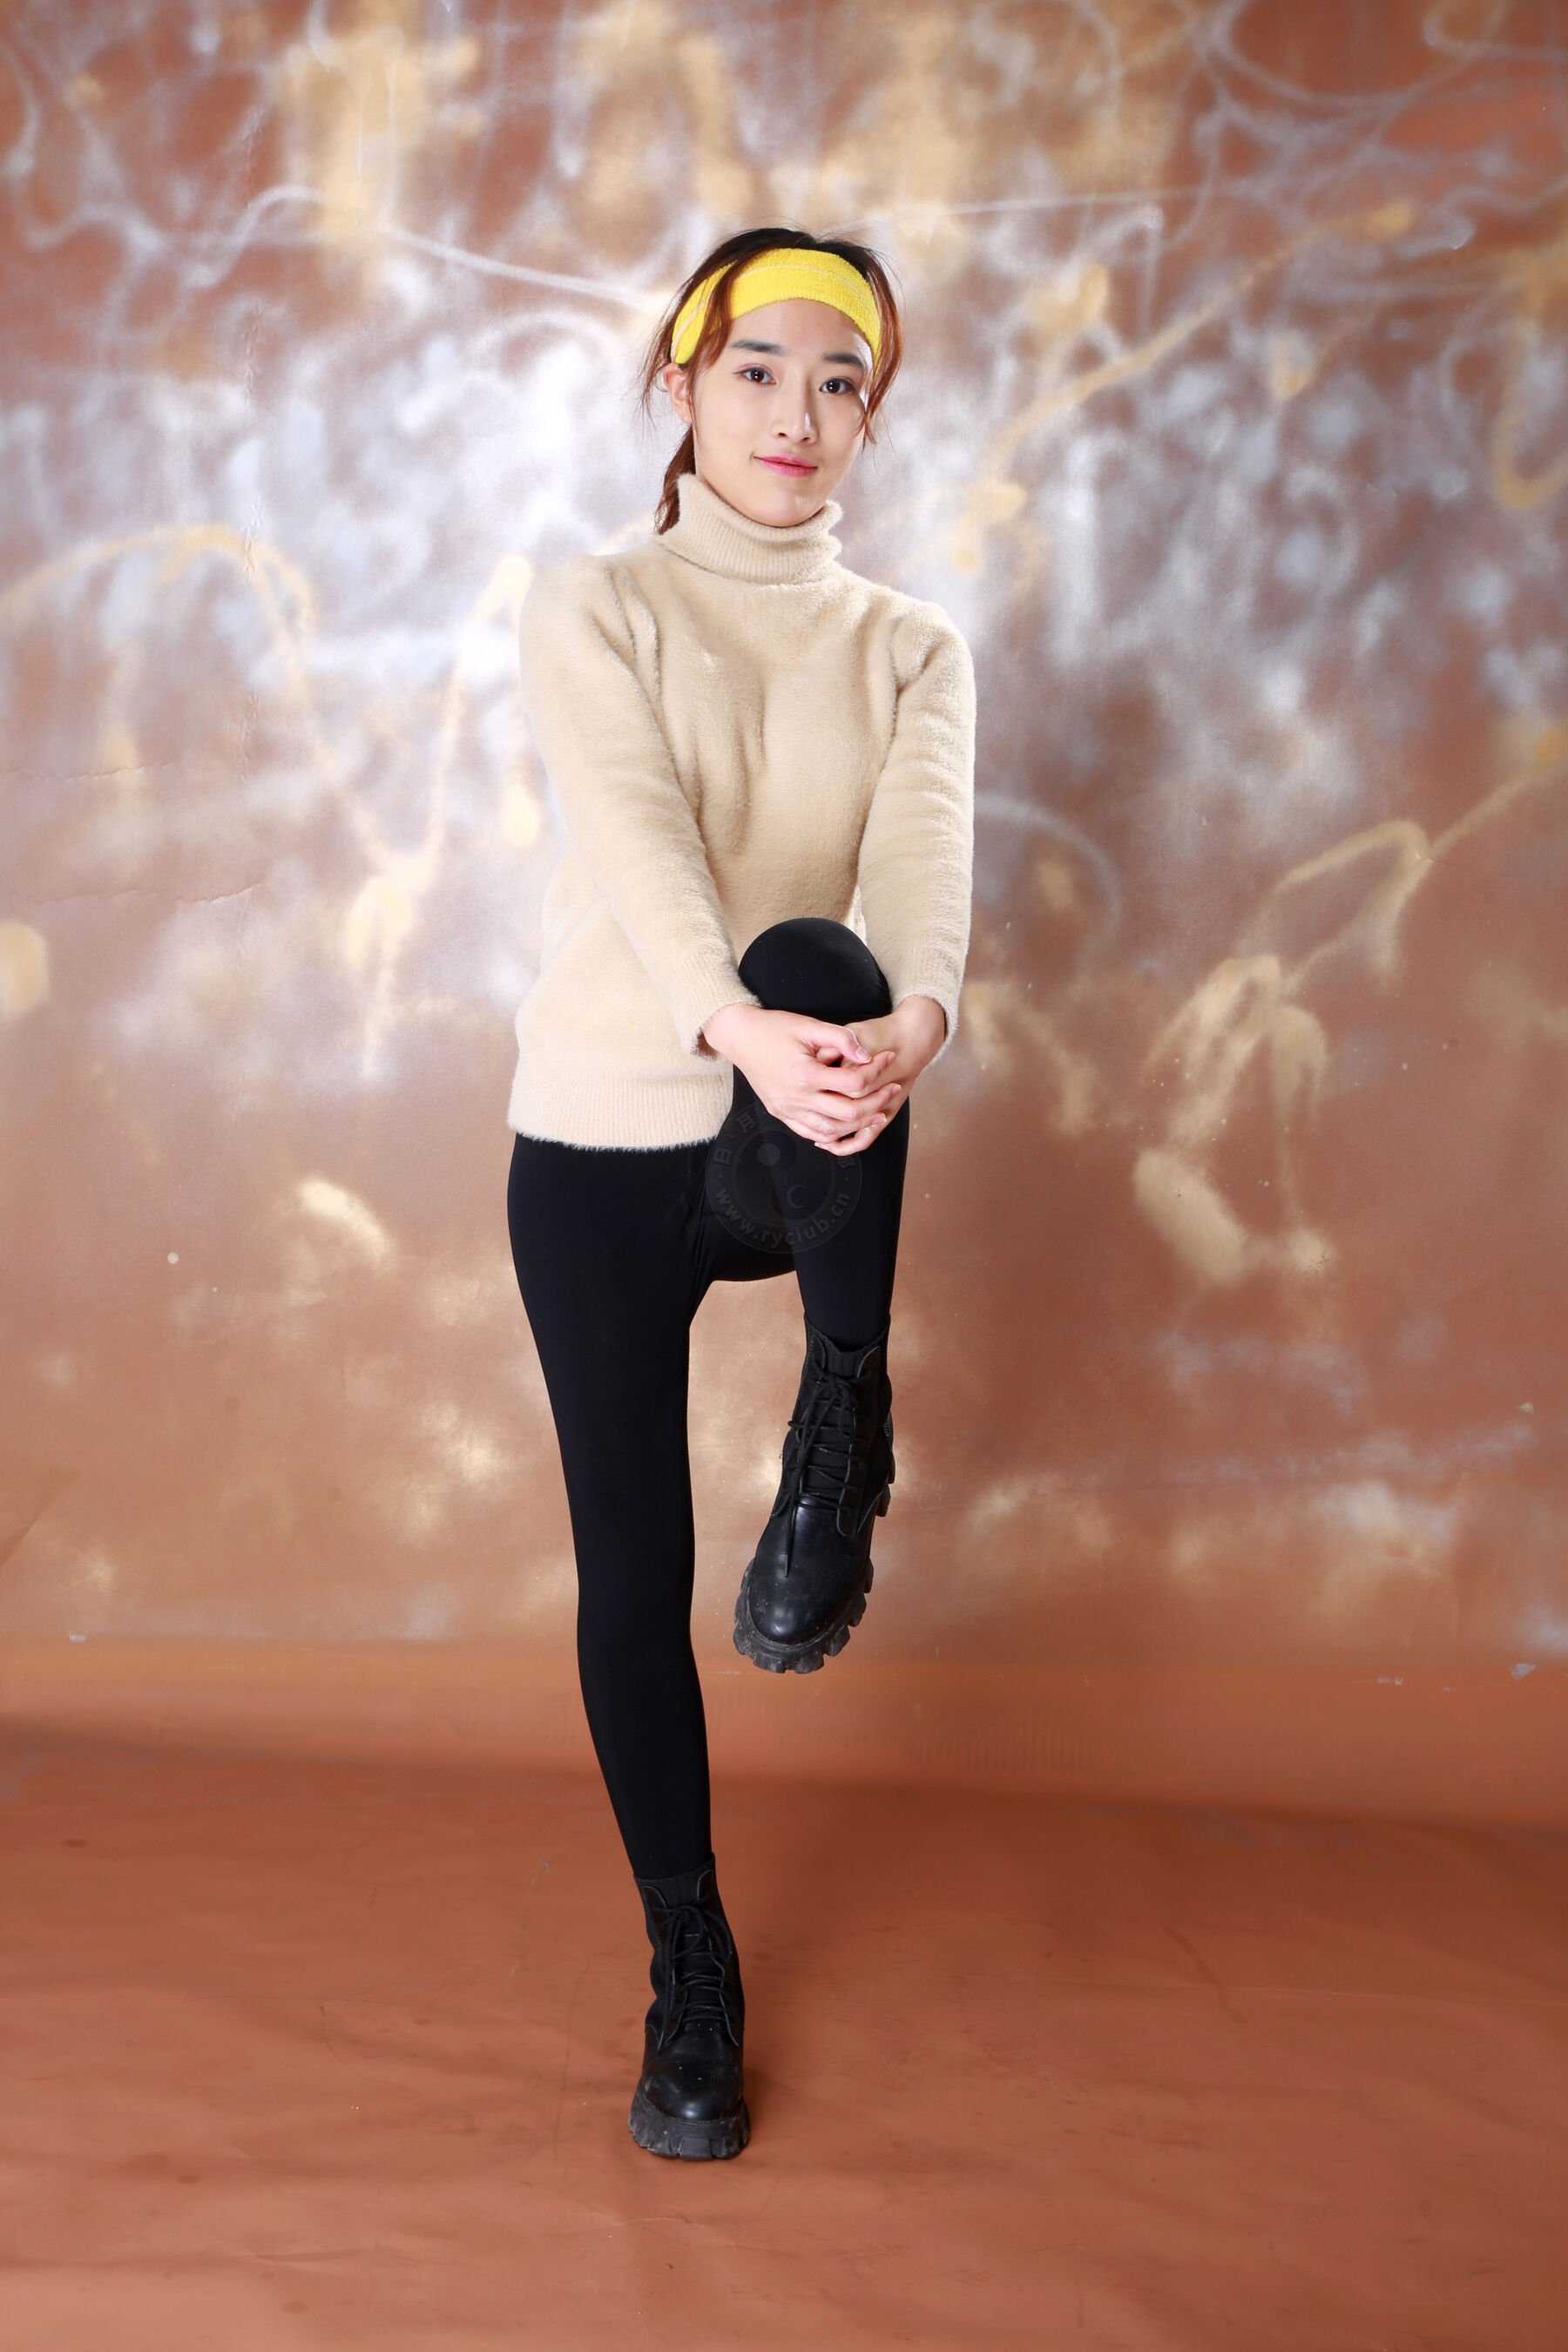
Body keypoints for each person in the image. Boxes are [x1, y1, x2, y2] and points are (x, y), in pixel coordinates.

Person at [504, 228, 977, 2160]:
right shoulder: (596, 604)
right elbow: (634, 835)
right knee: (633, 1575)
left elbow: (922, 870)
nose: (799, 413)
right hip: (606, 1141)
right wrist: (730, 1027)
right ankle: (689, 1965)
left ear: (871, 415)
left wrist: (909, 1027)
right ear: (686, 385)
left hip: (796, 1147)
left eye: (840, 381)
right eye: (760, 370)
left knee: (830, 956)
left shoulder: (911, 647)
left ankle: (843, 1412)